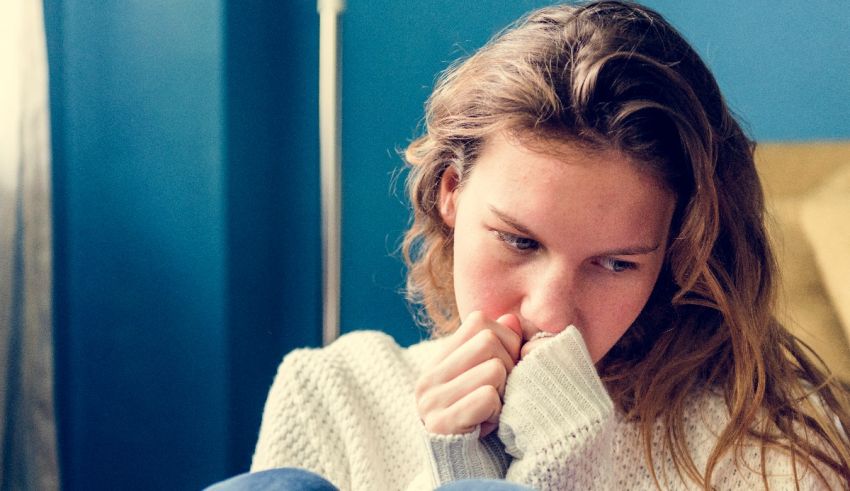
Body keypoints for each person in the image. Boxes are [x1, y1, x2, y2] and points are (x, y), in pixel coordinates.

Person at [243, 1, 850, 489]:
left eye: (616, 263)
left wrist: (556, 472)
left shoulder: (765, 452)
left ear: (674, 253)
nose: (550, 315)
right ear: (452, 192)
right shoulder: (332, 393)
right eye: (519, 241)